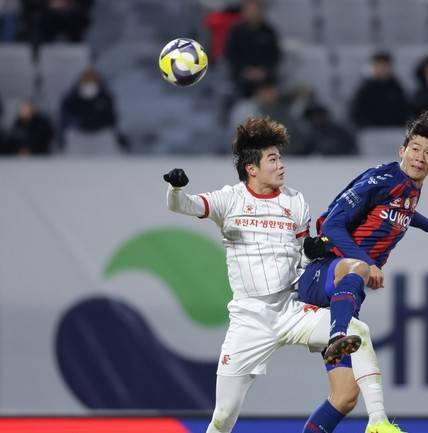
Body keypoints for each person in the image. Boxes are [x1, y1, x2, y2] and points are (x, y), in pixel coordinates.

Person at [163, 116, 401, 433]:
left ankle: (378, 422)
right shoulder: (229, 199)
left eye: (280, 158)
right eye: (273, 159)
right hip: (250, 318)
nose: (281, 165)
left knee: (359, 329)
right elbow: (183, 205)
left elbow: (302, 255)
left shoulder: (294, 201)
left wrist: (311, 251)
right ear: (252, 168)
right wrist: (175, 188)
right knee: (223, 415)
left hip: (290, 309)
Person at [296, 109, 428, 430]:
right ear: (402, 150)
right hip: (324, 275)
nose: (420, 157)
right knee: (355, 274)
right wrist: (366, 263)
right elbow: (332, 225)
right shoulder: (384, 180)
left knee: (344, 397)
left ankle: (340, 338)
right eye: (415, 149)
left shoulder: (408, 187)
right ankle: (339, 337)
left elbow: (403, 211)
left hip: (343, 293)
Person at [223, 0, 281, 98]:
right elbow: (230, 54)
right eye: (251, 10)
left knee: (270, 92)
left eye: (257, 10)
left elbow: (275, 56)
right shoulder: (236, 31)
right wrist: (245, 70)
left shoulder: (269, 32)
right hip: (241, 75)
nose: (254, 13)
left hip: (263, 75)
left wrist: (264, 70)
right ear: (245, 11)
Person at [350, 52, 409, 128]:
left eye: (385, 65)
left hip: (393, 129)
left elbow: (403, 111)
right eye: (378, 65)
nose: (381, 69)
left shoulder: (396, 88)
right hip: (370, 130)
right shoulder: (364, 89)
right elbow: (356, 113)